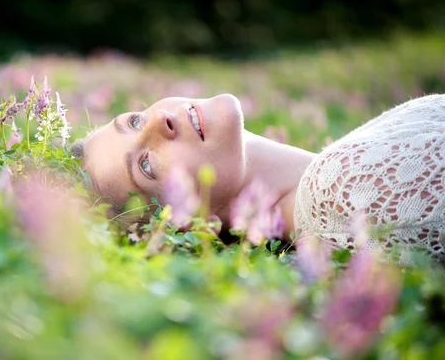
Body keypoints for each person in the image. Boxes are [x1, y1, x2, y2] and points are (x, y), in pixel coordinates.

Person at [70, 93, 445, 261]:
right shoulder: (343, 194)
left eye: (133, 120)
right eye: (146, 165)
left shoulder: (338, 179)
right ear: (195, 223)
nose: (157, 120)